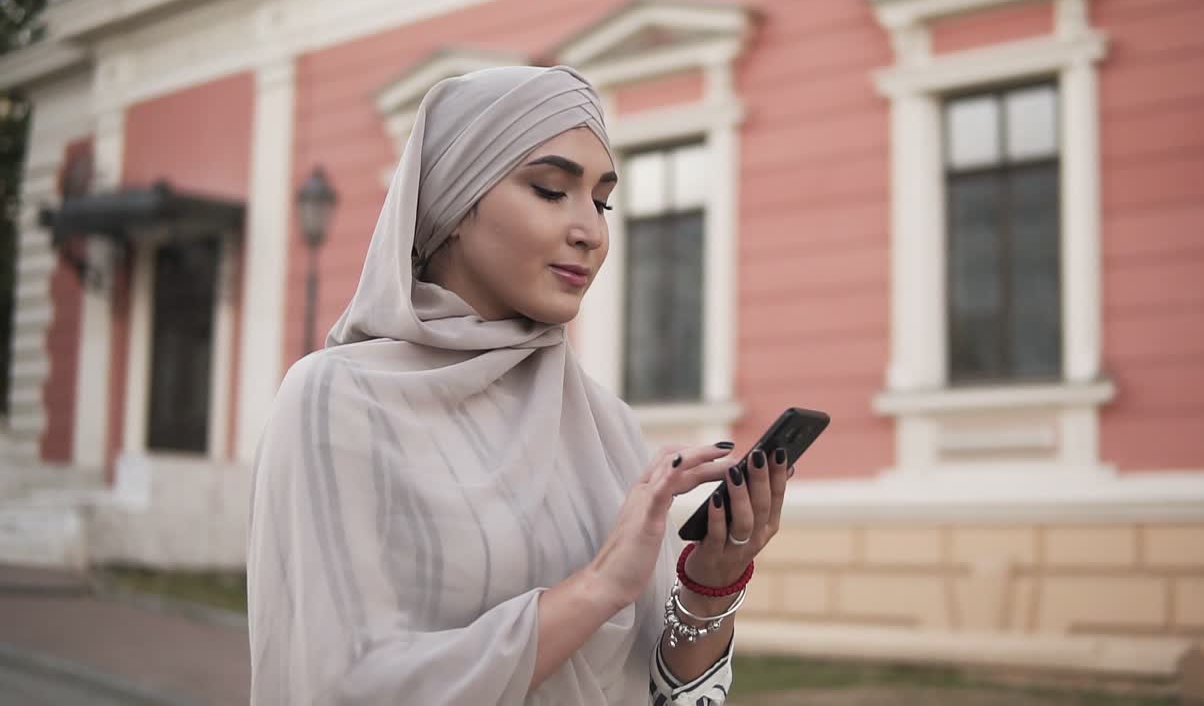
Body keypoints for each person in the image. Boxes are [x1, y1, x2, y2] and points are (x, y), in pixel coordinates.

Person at [246, 65, 793, 705]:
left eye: (602, 200)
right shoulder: (335, 400)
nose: (591, 229)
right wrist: (596, 588)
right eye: (550, 190)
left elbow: (661, 689)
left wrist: (709, 585)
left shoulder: (602, 423)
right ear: (452, 204)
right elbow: (343, 684)